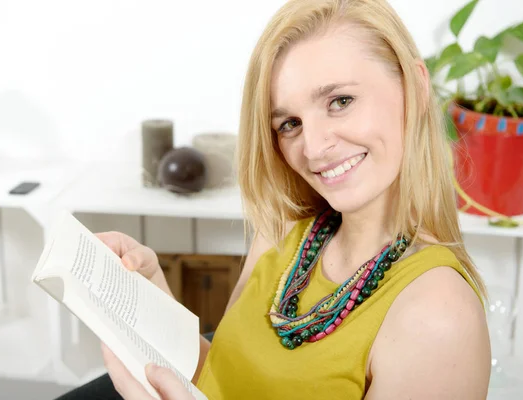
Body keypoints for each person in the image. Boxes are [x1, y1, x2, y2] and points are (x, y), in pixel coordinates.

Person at [57, 0, 492, 398]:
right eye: (289, 124)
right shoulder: (284, 232)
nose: (315, 146)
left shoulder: (438, 313)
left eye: (340, 101)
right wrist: (153, 302)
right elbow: (225, 377)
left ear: (415, 86)